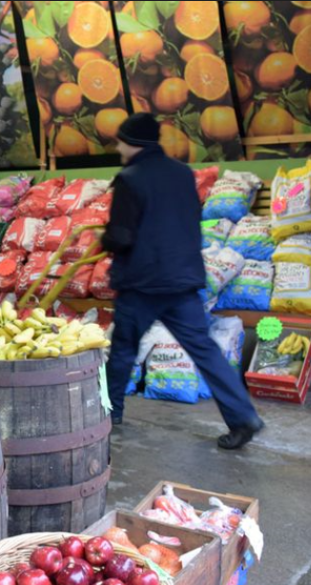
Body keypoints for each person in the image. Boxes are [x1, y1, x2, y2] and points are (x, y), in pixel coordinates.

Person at [102, 113, 265, 451]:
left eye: (121, 140)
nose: (117, 146)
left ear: (133, 143)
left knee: (122, 350)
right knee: (205, 350)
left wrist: (106, 241)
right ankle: (242, 417)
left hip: (141, 284)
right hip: (184, 280)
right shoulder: (181, 174)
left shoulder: (129, 179)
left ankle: (108, 413)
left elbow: (120, 236)